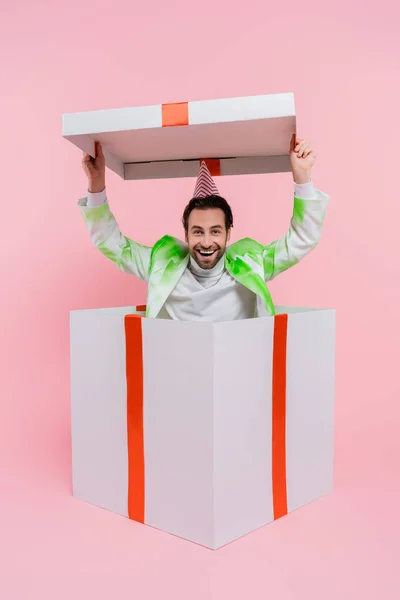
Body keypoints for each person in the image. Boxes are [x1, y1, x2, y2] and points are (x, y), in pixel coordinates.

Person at [78, 135, 329, 321]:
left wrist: (302, 178)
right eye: (198, 231)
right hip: (177, 379)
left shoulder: (252, 265)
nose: (206, 242)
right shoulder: (161, 266)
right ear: (185, 233)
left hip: (237, 379)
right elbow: (111, 243)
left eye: (215, 231)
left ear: (229, 233)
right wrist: (96, 183)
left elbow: (301, 239)